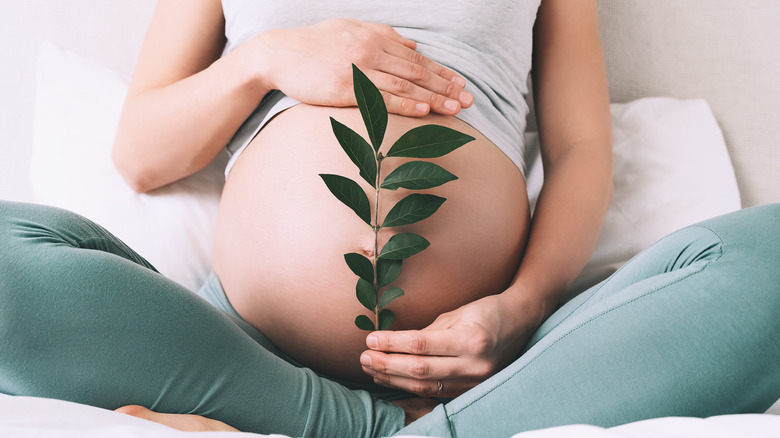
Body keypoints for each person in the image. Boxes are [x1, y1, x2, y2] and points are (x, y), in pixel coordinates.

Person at [0, 0, 778, 436]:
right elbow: (141, 153)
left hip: (495, 364)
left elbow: (579, 152)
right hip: (242, 350)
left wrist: (520, 307)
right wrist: (264, 60)